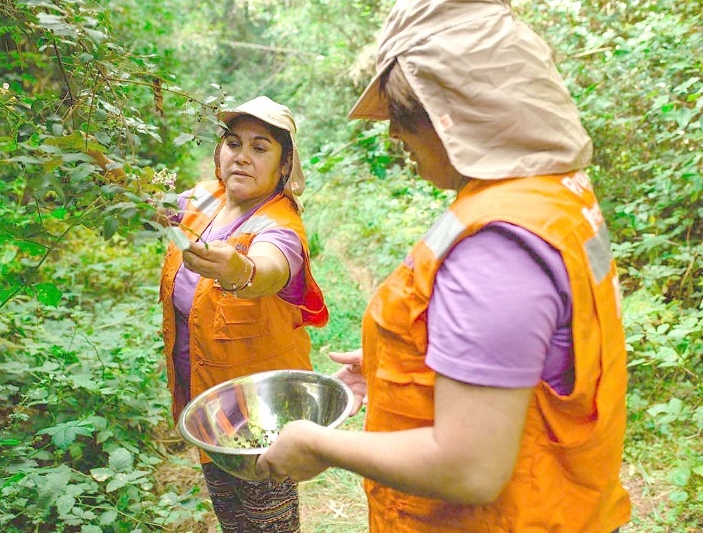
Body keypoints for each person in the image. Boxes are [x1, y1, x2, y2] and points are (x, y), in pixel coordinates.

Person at [256, 1, 631, 531]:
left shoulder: (497, 250)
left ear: (455, 113)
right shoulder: (549, 199)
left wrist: (319, 444)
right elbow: (532, 352)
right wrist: (398, 369)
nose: (394, 136)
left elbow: (470, 467)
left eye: (404, 116)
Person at [159, 96, 329, 532]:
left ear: (284, 164)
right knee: (232, 518)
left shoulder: (280, 225)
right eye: (234, 143)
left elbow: (269, 270)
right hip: (207, 405)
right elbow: (148, 204)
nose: (242, 156)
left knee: (268, 520)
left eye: (260, 147)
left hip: (262, 417)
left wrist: (239, 270)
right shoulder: (204, 200)